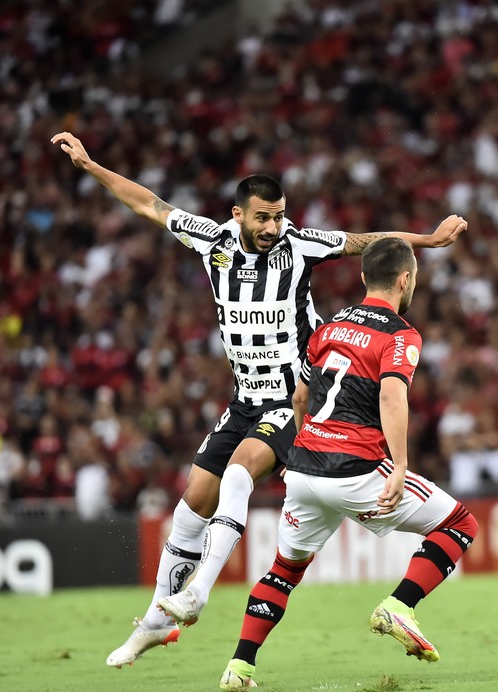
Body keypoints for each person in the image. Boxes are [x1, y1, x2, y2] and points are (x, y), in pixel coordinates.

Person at [49, 132, 469, 668]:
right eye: (264, 218)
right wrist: (90, 165)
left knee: (241, 474)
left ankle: (199, 591)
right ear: (239, 215)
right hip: (245, 400)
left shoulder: (299, 246)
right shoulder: (213, 242)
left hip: (296, 398)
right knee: (191, 503)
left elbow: (366, 241)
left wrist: (426, 242)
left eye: (280, 216)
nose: (274, 228)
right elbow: (148, 203)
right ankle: (156, 622)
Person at [218, 237, 478, 689]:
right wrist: (400, 464)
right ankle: (399, 606)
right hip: (356, 469)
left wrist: (298, 447)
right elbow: (392, 395)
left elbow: (300, 395)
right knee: (459, 524)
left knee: (284, 569)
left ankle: (239, 667)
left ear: (362, 277)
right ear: (406, 279)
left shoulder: (329, 326)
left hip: (303, 469)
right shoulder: (401, 334)